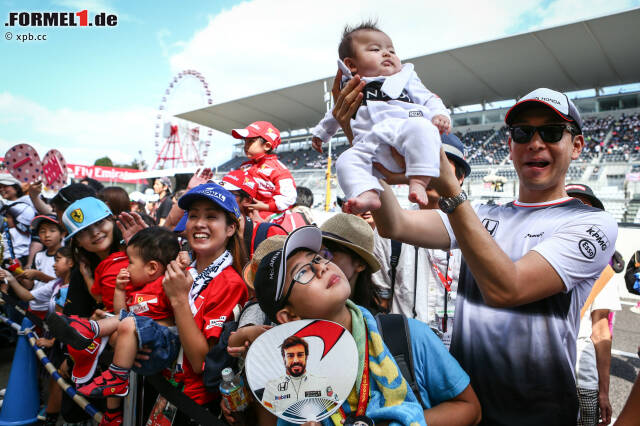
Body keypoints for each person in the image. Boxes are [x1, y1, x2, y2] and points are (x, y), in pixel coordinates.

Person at [366, 87, 618, 425]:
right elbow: (394, 224)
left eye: (552, 131)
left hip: (538, 413)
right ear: (511, 147)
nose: (536, 142)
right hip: (465, 405)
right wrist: (366, 142)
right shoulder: (483, 213)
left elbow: (507, 290)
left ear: (576, 146)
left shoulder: (591, 221)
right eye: (522, 132)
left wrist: (451, 191)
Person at [253, 226, 481, 426]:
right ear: (289, 315)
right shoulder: (280, 379)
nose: (321, 268)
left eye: (319, 258)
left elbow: (470, 409)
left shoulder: (406, 335)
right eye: (302, 272)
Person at [311, 21, 450, 213]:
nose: (387, 54)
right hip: (371, 145)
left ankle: (419, 180)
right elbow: (334, 113)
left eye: (392, 51)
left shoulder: (405, 77)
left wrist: (440, 114)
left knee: (422, 128)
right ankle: (368, 193)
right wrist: (321, 134)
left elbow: (428, 98)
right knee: (345, 160)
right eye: (375, 49)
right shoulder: (350, 86)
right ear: (350, 64)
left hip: (404, 133)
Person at [47, 227, 181, 399]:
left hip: (162, 346)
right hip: (141, 351)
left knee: (128, 322)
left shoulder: (166, 284)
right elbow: (121, 313)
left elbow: (174, 319)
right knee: (119, 327)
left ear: (152, 268)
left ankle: (94, 338)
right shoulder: (138, 291)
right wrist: (119, 289)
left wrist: (181, 261)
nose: (127, 267)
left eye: (130, 262)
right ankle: (89, 334)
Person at [371, 133, 470, 346]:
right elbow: (382, 296)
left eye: (438, 166)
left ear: (460, 178)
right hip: (408, 353)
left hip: (465, 349)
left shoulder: (478, 230)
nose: (429, 173)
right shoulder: (387, 232)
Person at [162, 182, 249, 423]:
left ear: (230, 228)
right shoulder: (186, 272)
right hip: (169, 390)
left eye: (211, 216)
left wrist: (179, 299)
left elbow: (201, 362)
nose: (199, 223)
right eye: (193, 216)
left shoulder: (230, 284)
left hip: (196, 406)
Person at [565, 183, 621, 426]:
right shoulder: (534, 258)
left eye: (585, 210)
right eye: (570, 207)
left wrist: (604, 392)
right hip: (540, 375)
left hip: (581, 378)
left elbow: (600, 332)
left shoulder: (603, 271)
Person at [0, 245, 74, 426]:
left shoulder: (71, 289)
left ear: (71, 262)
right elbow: (28, 296)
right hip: (57, 336)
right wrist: (11, 279)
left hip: (64, 340)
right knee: (52, 377)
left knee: (57, 378)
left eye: (58, 260)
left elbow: (67, 318)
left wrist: (52, 340)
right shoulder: (56, 284)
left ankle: (51, 417)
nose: (54, 264)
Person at [232, 121, 297, 218]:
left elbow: (289, 197)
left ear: (267, 146)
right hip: (245, 214)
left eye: (251, 141)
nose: (246, 145)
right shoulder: (245, 166)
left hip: (270, 217)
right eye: (245, 141)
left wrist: (266, 207)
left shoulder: (278, 169)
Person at [218, 168, 288, 257]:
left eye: (229, 194)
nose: (220, 196)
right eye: (219, 191)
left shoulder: (269, 233)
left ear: (246, 201)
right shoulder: (212, 229)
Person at [262, 335, 339, 414]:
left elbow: (336, 413)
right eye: (290, 356)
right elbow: (267, 420)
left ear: (306, 357)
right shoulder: (271, 387)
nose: (296, 360)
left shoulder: (323, 383)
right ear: (283, 358)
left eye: (300, 355)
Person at [19, 215, 65, 320]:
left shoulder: (66, 256)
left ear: (62, 234)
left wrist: (39, 275)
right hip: (34, 305)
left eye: (52, 230)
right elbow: (30, 285)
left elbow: (64, 284)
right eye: (42, 231)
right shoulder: (38, 255)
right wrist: (21, 273)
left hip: (52, 308)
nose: (47, 235)